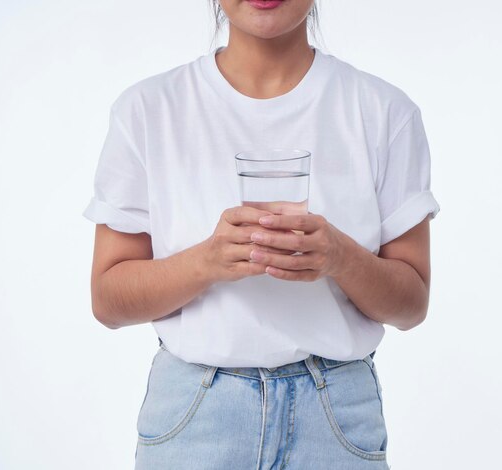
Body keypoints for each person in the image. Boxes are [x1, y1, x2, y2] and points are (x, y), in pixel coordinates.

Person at [82, 0, 440, 468]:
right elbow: (108, 301)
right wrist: (206, 262)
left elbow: (412, 305)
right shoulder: (149, 109)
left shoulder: (383, 111)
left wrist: (339, 257)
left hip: (335, 415)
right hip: (196, 412)